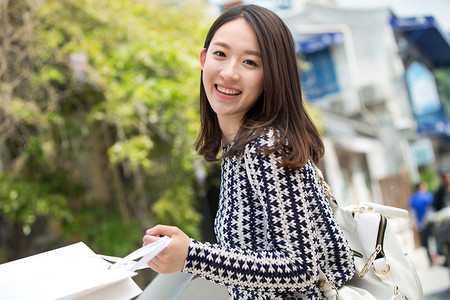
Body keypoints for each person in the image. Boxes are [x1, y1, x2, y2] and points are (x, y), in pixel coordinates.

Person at [142, 4, 355, 299]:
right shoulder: (238, 148)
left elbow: (302, 269)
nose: (229, 73)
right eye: (220, 54)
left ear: (272, 76)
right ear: (203, 59)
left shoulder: (267, 148)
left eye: (251, 63)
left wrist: (192, 256)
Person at [409, 181, 433, 262]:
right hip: (429, 221)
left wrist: (414, 222)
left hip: (420, 224)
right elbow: (433, 208)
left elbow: (412, 211)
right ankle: (434, 256)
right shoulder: (427, 195)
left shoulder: (413, 198)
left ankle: (430, 258)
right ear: (421, 187)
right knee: (432, 239)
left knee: (425, 242)